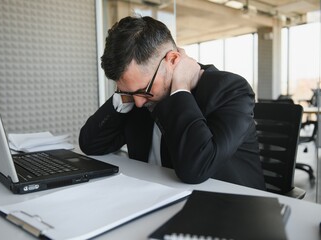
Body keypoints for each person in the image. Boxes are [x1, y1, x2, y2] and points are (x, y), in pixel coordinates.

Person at [79, 15, 266, 190]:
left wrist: (180, 88)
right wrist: (124, 94)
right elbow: (91, 145)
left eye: (143, 91)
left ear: (173, 59)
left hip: (230, 206)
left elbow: (195, 170)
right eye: (127, 91)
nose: (138, 103)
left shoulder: (230, 90)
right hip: (154, 196)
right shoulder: (139, 96)